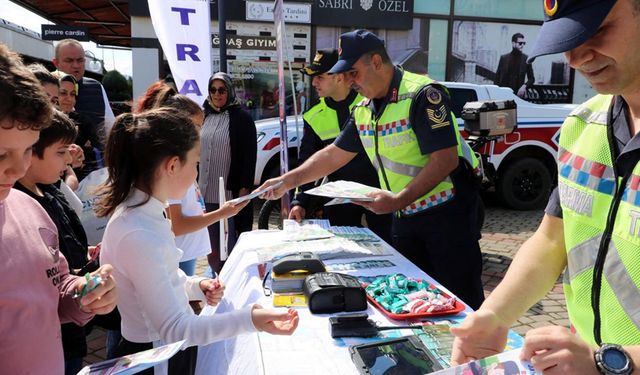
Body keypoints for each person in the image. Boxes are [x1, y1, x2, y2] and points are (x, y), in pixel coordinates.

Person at [451, 1, 640, 373]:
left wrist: (617, 362)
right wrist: (495, 314)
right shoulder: (582, 125)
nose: (575, 58)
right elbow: (553, 241)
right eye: (566, 40)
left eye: (596, 31)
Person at [258, 29, 485, 310]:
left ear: (376, 62)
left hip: (447, 216)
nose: (350, 82)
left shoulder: (423, 94)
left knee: (462, 301)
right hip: (405, 217)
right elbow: (333, 155)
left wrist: (397, 200)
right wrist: (287, 180)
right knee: (413, 300)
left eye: (353, 72)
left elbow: (445, 160)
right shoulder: (364, 108)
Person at [97, 108, 298, 375]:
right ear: (172, 165)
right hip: (155, 358)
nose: (196, 174)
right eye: (195, 163)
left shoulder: (147, 212)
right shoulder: (137, 230)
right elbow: (176, 329)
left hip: (163, 351)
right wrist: (251, 319)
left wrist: (195, 286)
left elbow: (164, 274)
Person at [0, 42, 117, 375]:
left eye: (26, 151)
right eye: (1, 155)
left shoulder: (30, 207)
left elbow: (55, 287)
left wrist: (83, 294)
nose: (18, 170)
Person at [12, 109, 96, 374]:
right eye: (60, 152)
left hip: (65, 331)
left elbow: (55, 259)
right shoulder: (20, 202)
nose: (69, 159)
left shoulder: (48, 191)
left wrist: (85, 263)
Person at [136, 81, 248, 277]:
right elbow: (177, 225)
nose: (200, 133)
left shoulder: (177, 160)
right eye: (197, 126)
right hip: (180, 254)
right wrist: (221, 213)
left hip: (185, 253)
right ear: (179, 124)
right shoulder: (170, 167)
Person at [290, 48, 392, 243]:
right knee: (344, 251)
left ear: (338, 77)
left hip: (381, 194)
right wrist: (299, 202)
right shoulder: (313, 116)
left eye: (319, 77)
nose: (314, 83)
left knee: (391, 248)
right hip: (340, 198)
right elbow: (308, 162)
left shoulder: (370, 102)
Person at [199, 72, 257, 274]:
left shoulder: (241, 118)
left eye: (222, 90)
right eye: (213, 90)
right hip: (205, 191)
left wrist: (244, 189)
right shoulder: (204, 114)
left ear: (229, 91)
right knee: (211, 245)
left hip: (228, 193)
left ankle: (229, 282)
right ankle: (217, 279)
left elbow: (250, 156)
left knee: (229, 244)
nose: (217, 94)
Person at [53, 38, 112, 178]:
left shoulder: (96, 87)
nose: (76, 65)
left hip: (95, 172)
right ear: (56, 63)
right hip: (57, 172)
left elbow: (110, 128)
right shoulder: (45, 86)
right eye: (69, 60)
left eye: (80, 60)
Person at [494, 33, 535, 98]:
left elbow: (532, 79)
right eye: (520, 43)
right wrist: (496, 93)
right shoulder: (504, 58)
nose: (522, 45)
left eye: (524, 43)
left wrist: (524, 86)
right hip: (504, 95)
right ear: (513, 43)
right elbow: (497, 78)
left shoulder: (526, 59)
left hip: (518, 95)